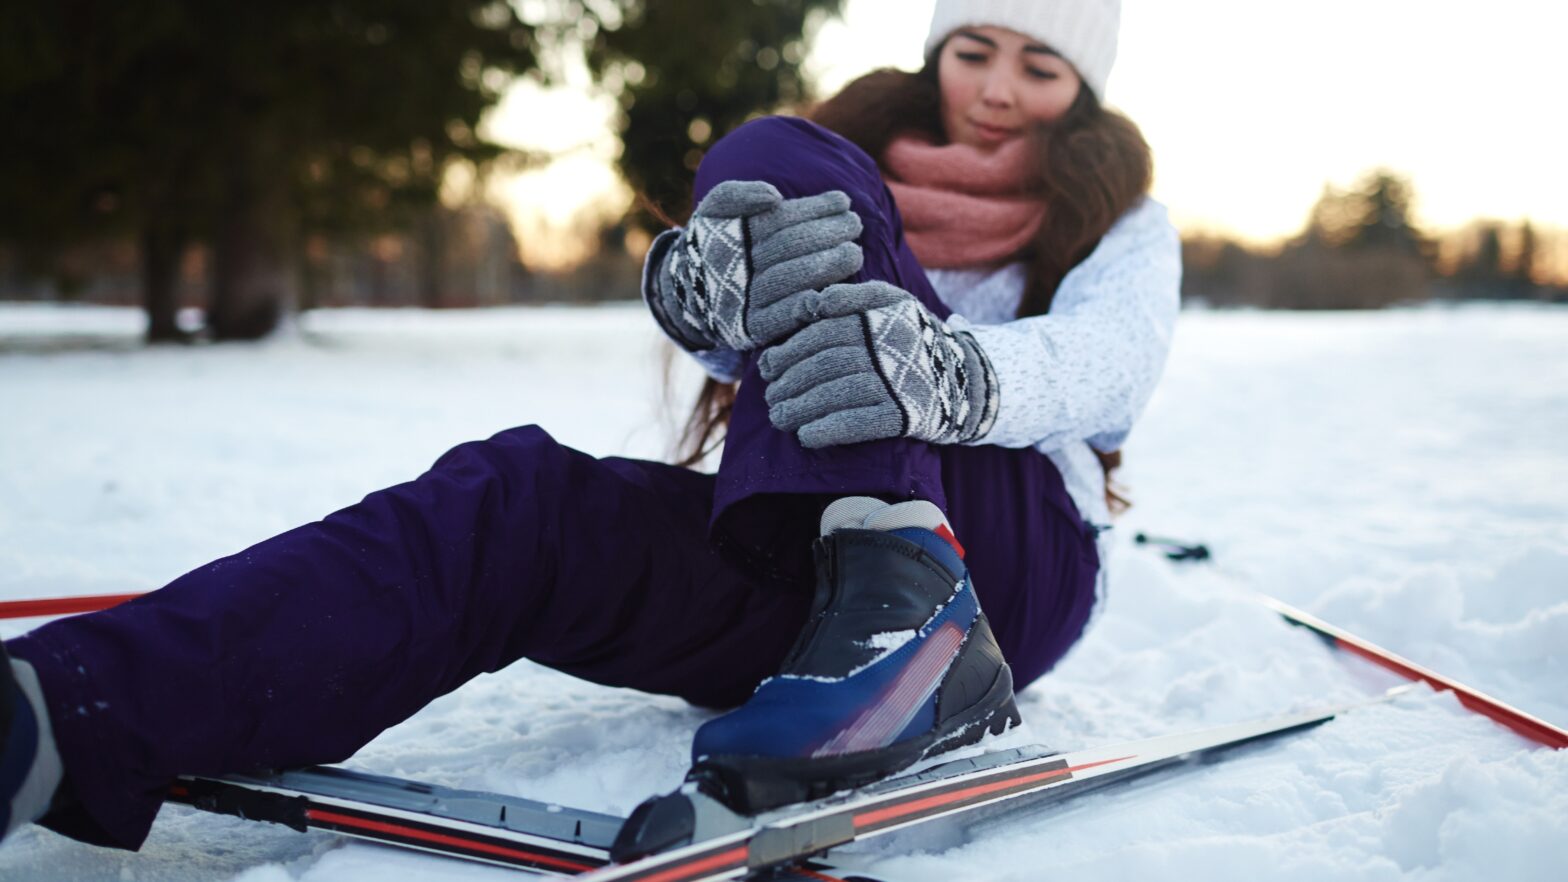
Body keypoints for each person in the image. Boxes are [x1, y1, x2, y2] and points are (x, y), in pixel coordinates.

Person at [1, 0, 1179, 852]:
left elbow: (1104, 364)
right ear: (936, 55)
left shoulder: (1119, 220)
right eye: (973, 50)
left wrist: (948, 374)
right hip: (809, 564)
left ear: (1081, 89)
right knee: (520, 503)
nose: (995, 88)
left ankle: (912, 615)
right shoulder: (850, 171)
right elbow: (764, 351)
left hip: (1006, 562)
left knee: (792, 171)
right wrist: (709, 307)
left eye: (1037, 65)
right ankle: (65, 711)